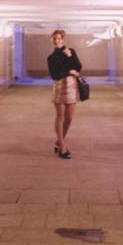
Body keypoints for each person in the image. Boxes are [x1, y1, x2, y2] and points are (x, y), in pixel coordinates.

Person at [47, 29, 82, 159]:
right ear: (51, 40)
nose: (56, 40)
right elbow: (55, 75)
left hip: (72, 87)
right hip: (59, 87)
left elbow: (78, 66)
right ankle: (62, 147)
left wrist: (68, 56)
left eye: (58, 38)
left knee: (69, 118)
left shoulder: (71, 51)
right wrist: (69, 71)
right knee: (60, 117)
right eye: (54, 38)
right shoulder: (51, 57)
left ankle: (58, 141)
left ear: (63, 39)